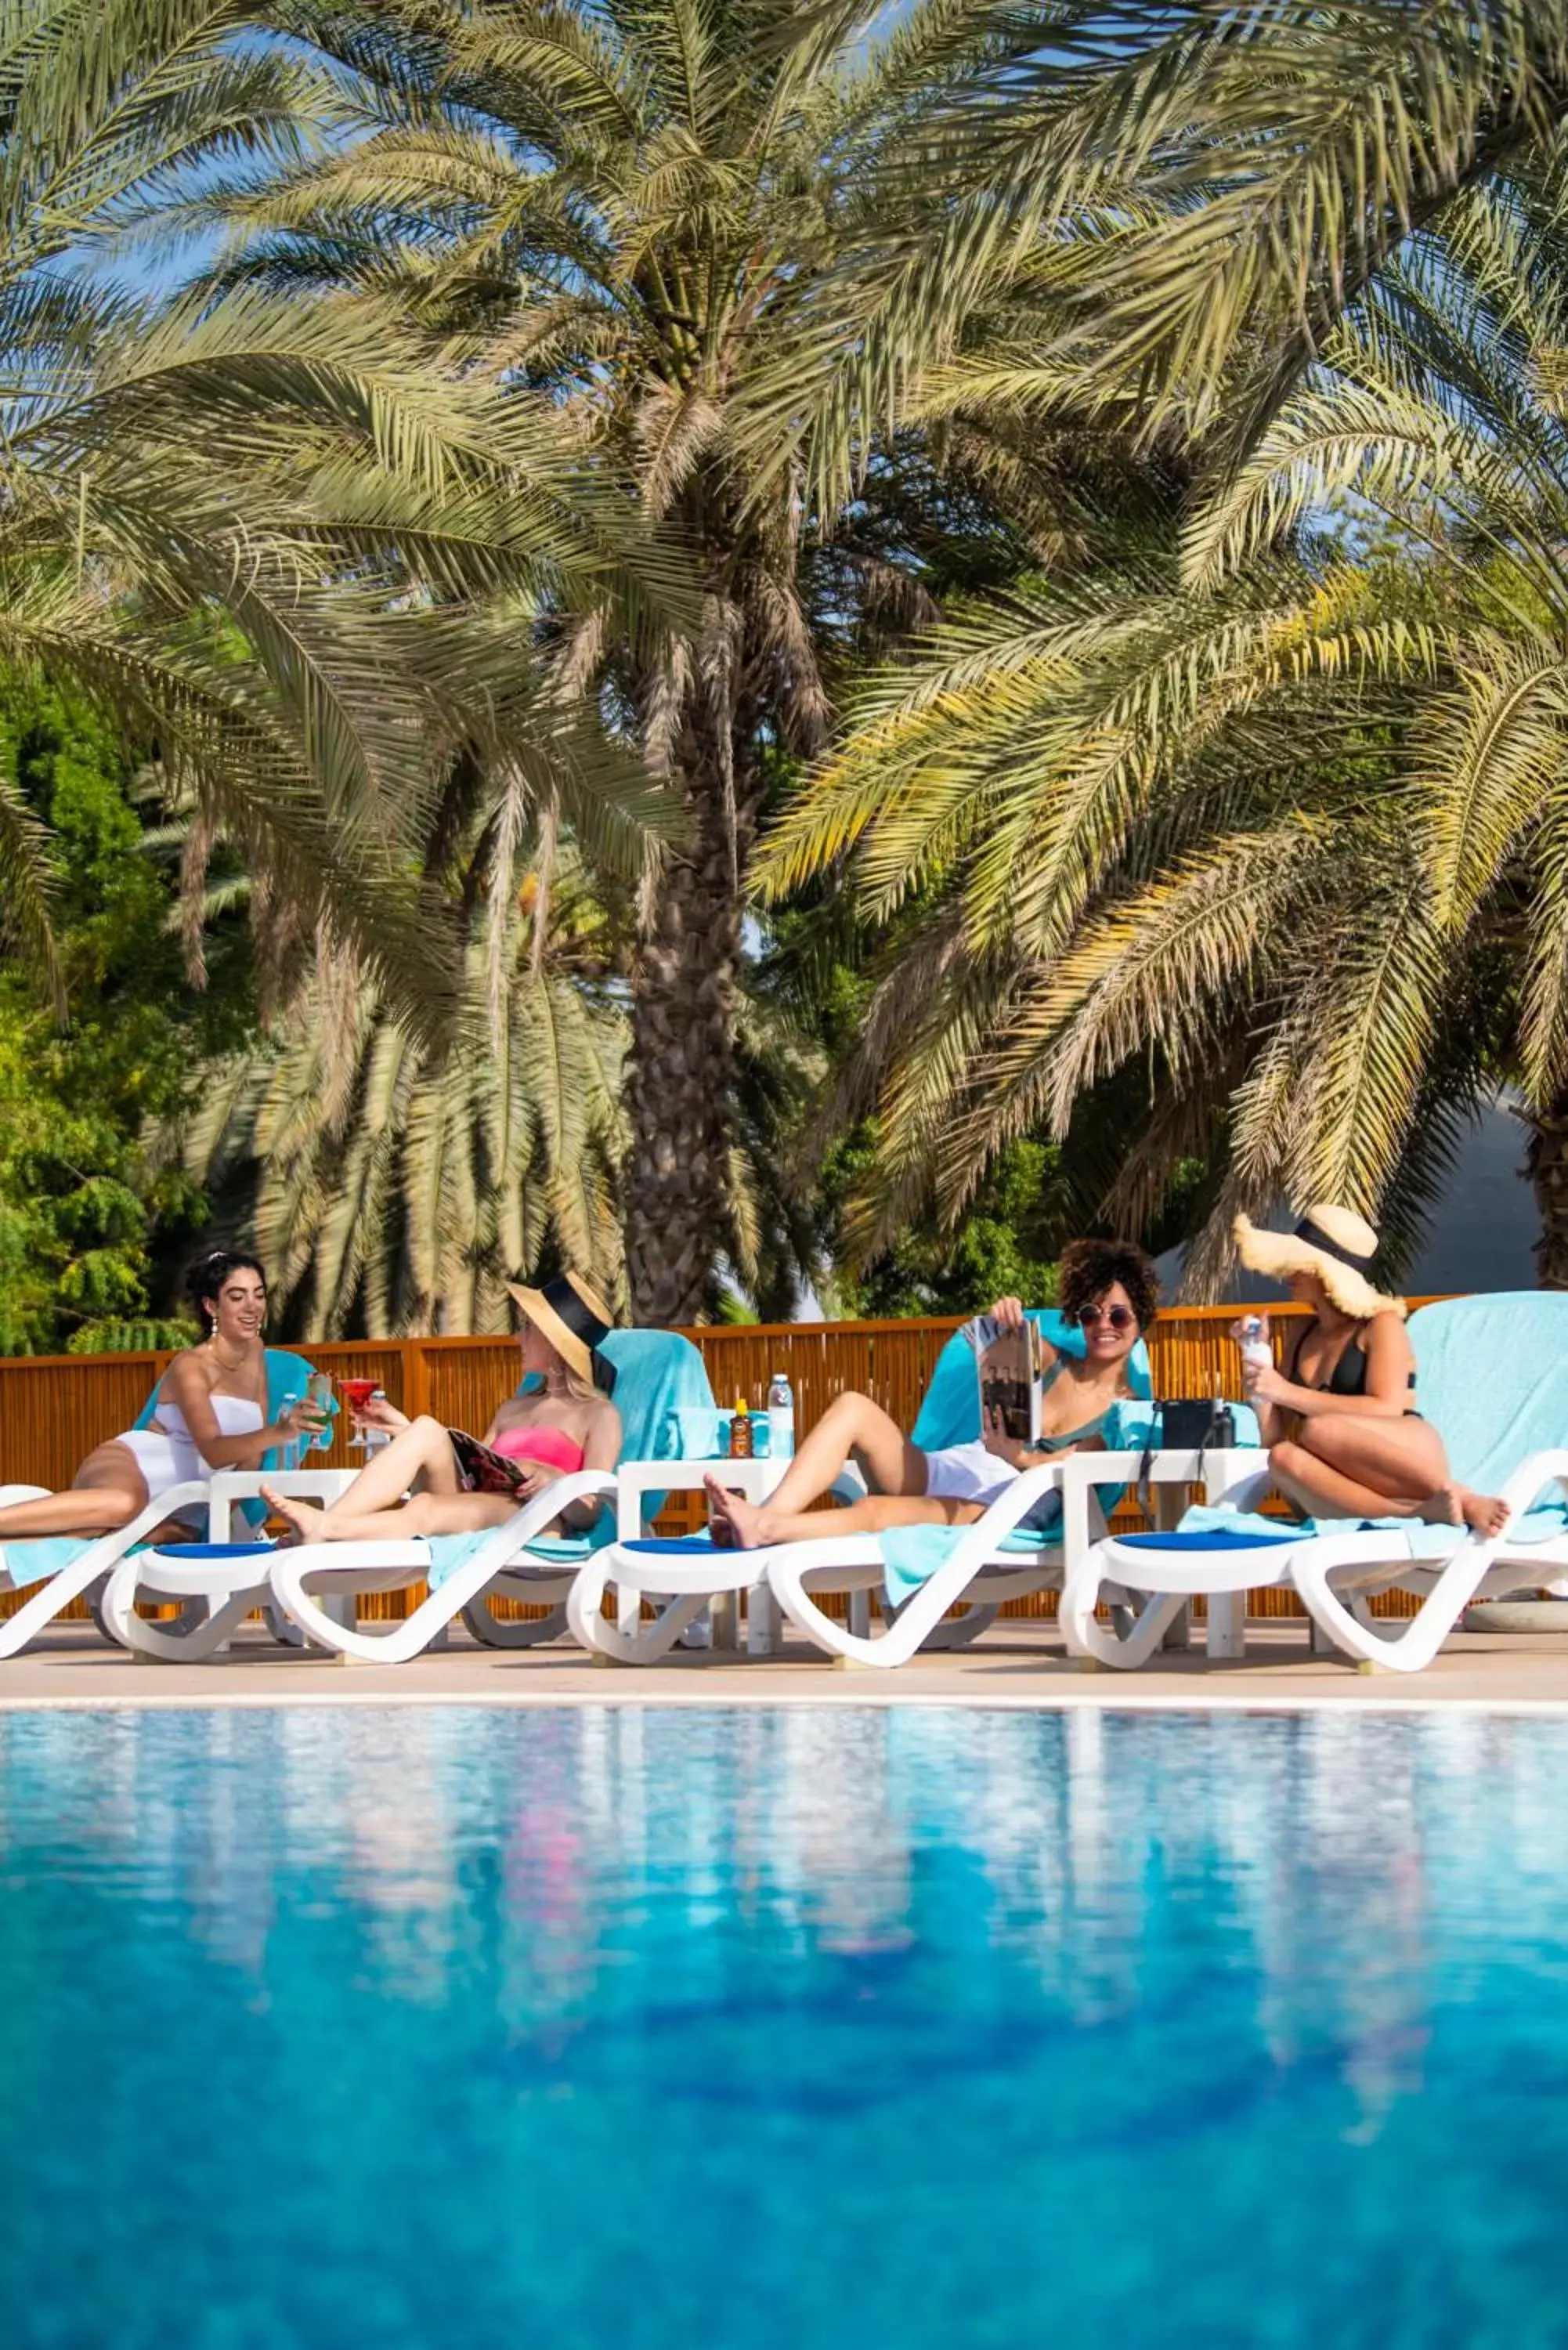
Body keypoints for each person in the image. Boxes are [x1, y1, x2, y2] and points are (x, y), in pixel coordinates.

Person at [704, 1238, 1159, 1549]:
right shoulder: (1051, 1356)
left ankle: (765, 1528)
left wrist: (1017, 1458)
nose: (1103, 1326)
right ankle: (765, 1515)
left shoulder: (1125, 1411)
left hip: (1001, 1503)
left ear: (1140, 1321)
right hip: (959, 1466)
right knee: (853, 1407)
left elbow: (1068, 1468)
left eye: (1118, 1316)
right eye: (1090, 1314)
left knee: (878, 1509)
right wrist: (1003, 1314)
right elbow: (999, 1336)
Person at [263, 1273, 621, 1544]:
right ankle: (324, 1526)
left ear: (556, 1345)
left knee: (423, 1507)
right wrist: (403, 1429)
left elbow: (592, 1510)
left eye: (527, 1328)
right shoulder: (513, 1408)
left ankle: (325, 1528)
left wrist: (554, 1483)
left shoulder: (598, 1415)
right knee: (424, 1427)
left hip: (535, 1516)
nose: (517, 1338)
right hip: (480, 1501)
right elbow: (470, 1465)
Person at [0, 1248, 318, 1540]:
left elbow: (250, 1456)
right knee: (123, 1506)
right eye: (237, 1297)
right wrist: (280, 1431)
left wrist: (219, 1527)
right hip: (133, 1466)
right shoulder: (191, 1366)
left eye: (259, 1295)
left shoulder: (255, 1353)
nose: (253, 1306)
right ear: (212, 1306)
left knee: (105, 1530)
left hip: (183, 1504)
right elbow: (215, 1452)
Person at [1233, 1203, 1507, 1535]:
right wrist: (1257, 1354)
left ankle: (1465, 1499)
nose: (1288, 1271)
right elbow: (1273, 1438)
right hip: (1349, 1478)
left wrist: (1287, 1392)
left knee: (1319, 1431)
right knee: (1282, 1458)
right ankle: (1414, 1514)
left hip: (1405, 1451)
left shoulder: (1380, 1324)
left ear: (1327, 1272)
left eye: (1299, 1263)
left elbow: (1387, 1408)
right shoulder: (1302, 1331)